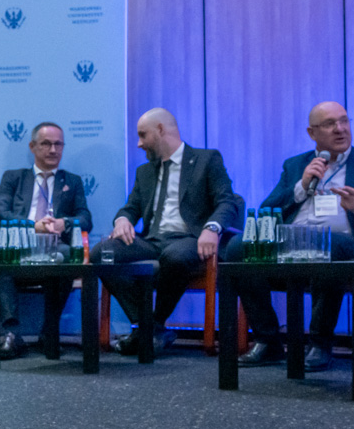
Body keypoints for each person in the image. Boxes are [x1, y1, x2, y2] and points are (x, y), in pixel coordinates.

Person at [227, 101, 354, 371]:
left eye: (344, 121)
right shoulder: (295, 164)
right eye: (330, 124)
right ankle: (268, 340)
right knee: (239, 245)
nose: (340, 129)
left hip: (346, 244)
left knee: (324, 243)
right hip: (290, 241)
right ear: (312, 133)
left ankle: (320, 342)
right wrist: (301, 186)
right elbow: (266, 210)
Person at [90, 107, 243, 354]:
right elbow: (131, 208)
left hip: (191, 239)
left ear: (160, 130)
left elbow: (227, 202)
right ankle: (151, 328)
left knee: (174, 256)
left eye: (142, 135)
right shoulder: (144, 172)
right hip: (152, 240)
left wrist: (212, 228)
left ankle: (150, 327)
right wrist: (122, 220)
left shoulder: (206, 160)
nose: (139, 144)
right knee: (101, 253)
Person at [0, 122, 93, 359]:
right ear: (32, 147)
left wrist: (64, 223)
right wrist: (32, 226)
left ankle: (49, 332)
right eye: (46, 144)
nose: (53, 150)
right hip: (18, 242)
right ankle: (12, 335)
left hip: (54, 245)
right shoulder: (14, 177)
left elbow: (86, 218)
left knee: (68, 257)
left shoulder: (72, 181)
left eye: (58, 144)